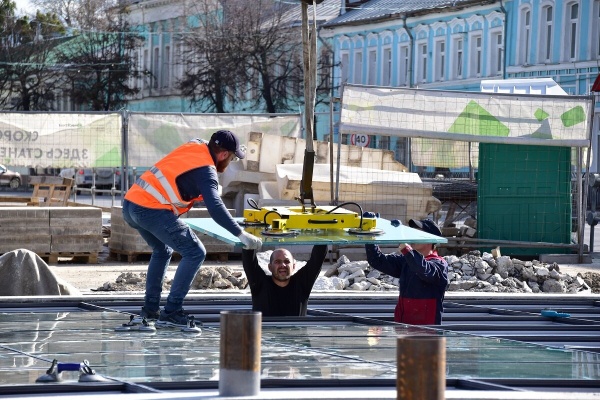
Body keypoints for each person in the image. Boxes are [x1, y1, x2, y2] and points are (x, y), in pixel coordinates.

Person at [122, 130, 263, 328]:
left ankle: (150, 310)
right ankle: (171, 311)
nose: (229, 162)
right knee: (195, 252)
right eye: (231, 158)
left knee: (162, 251)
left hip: (130, 205)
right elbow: (215, 207)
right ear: (223, 155)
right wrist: (240, 234)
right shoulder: (206, 171)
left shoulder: (196, 145)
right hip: (150, 209)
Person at [363, 214, 448, 325]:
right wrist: (370, 234)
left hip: (427, 334)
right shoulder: (406, 261)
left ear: (430, 239)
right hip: (403, 328)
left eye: (417, 233)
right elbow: (377, 260)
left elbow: (423, 269)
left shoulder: (439, 265)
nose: (413, 236)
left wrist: (405, 247)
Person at [242, 245, 328, 316]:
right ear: (270, 267)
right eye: (277, 262)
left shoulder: (302, 284)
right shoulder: (259, 284)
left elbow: (317, 258)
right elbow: (249, 261)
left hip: (296, 336)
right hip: (265, 335)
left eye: (287, 261)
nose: (283, 265)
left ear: (293, 266)